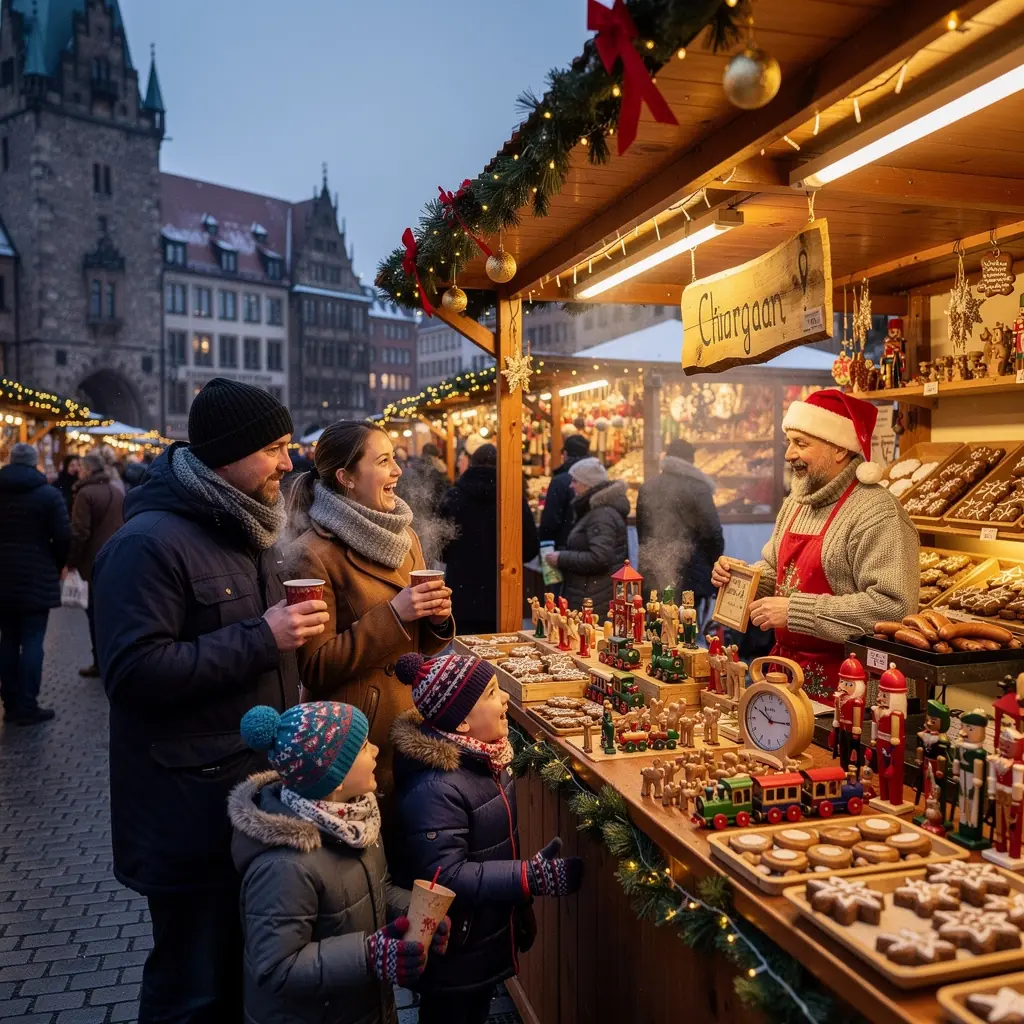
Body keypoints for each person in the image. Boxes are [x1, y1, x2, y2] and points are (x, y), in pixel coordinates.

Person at [93, 378, 329, 1024]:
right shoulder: (147, 544)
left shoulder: (247, 529)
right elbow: (133, 673)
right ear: (227, 454)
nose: (288, 463)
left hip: (247, 802)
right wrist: (264, 637)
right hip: (188, 812)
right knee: (192, 991)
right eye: (274, 448)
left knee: (237, 980)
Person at [391, 652, 583, 1024]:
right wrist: (528, 877)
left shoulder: (486, 760)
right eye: (493, 693)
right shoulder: (436, 787)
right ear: (463, 721)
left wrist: (518, 905)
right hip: (454, 950)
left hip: (479, 938)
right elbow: (445, 875)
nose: (506, 699)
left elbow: (493, 849)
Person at [229, 700, 449, 1024]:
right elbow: (276, 967)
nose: (376, 750)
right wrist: (370, 955)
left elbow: (375, 890)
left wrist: (413, 913)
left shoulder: (358, 822)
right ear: (335, 777)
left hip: (364, 1007)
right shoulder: (284, 866)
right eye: (363, 747)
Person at [712, 389, 918, 706]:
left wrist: (795, 611)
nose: (789, 454)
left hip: (854, 687)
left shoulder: (877, 513)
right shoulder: (796, 503)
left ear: (839, 448)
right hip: (790, 675)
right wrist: (742, 578)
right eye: (789, 442)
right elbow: (776, 570)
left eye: (801, 443)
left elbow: (893, 607)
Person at [285, 421, 454, 804]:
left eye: (394, 458)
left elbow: (418, 649)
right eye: (383, 461)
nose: (397, 470)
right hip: (353, 742)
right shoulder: (311, 553)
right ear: (346, 477)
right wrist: (395, 614)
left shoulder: (405, 536)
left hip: (411, 726)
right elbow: (315, 668)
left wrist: (437, 619)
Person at [0, 443, 70, 725]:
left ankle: (10, 702)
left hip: (3, 576)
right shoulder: (49, 495)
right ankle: (27, 704)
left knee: (7, 640)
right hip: (36, 575)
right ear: (34, 462)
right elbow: (63, 536)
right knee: (32, 641)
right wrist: (56, 563)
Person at [438, 443, 539, 636]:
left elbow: (440, 549)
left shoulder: (453, 497)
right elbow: (530, 549)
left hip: (462, 594)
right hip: (503, 597)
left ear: (471, 463)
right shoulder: (513, 499)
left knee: (464, 653)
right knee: (503, 652)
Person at [636, 439, 724, 611]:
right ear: (690, 460)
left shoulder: (647, 487)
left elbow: (642, 533)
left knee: (656, 620)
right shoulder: (699, 489)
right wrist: (711, 565)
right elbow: (713, 533)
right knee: (686, 623)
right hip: (691, 575)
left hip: (653, 571)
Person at [543, 457, 628, 622]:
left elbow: (600, 558)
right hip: (592, 594)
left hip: (594, 599)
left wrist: (562, 558)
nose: (571, 485)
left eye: (575, 481)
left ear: (588, 484)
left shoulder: (601, 515)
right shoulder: (597, 512)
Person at [68, 452, 124, 679]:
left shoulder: (85, 493)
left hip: (92, 563)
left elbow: (79, 533)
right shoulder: (116, 491)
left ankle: (100, 662)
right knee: (112, 614)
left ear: (89, 470)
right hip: (117, 560)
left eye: (82, 467)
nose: (79, 471)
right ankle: (113, 658)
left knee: (94, 614)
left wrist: (70, 562)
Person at [538, 433, 590, 552]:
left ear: (565, 454)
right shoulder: (596, 479)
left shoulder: (560, 481)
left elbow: (550, 521)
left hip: (564, 550)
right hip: (591, 549)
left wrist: (546, 550)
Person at [395, 440, 448, 529]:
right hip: (429, 519)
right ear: (434, 457)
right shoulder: (434, 473)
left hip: (413, 519)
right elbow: (441, 499)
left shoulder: (413, 468)